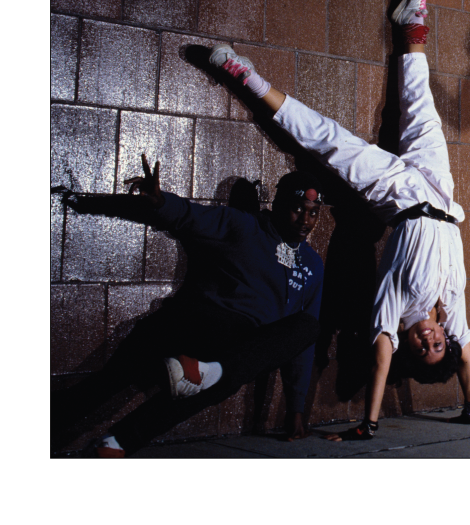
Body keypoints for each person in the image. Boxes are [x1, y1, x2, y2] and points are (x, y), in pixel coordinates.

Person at [208, 0, 470, 441]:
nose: (428, 340)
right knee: (420, 103)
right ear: (446, 339)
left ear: (409, 349)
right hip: (438, 187)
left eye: (422, 350)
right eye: (437, 344)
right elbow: (469, 362)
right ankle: (411, 23)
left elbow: (380, 359)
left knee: (328, 140)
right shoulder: (451, 311)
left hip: (398, 196)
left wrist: (369, 424)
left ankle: (246, 77)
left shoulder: (392, 314)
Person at [52, 160, 325, 456]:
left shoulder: (311, 266)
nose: (305, 220)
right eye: (298, 208)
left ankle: (115, 443)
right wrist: (159, 201)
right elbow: (189, 215)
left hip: (230, 348)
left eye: (313, 213)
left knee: (301, 330)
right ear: (278, 204)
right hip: (188, 322)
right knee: (104, 387)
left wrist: (295, 407)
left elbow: (298, 347)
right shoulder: (243, 225)